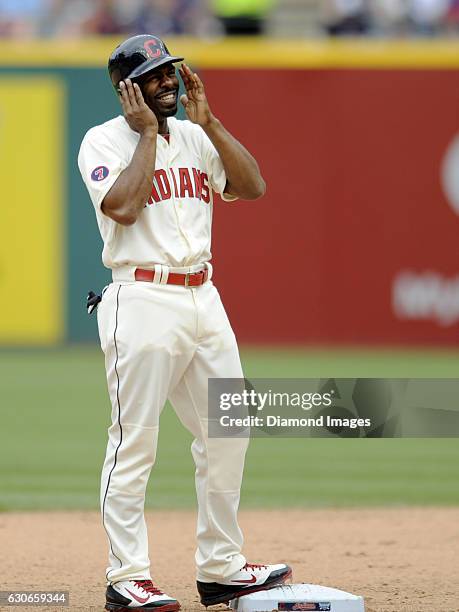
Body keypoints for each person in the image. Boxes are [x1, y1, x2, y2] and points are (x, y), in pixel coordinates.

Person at [78, 34, 292, 612]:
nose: (168, 81)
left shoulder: (196, 137)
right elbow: (121, 207)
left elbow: (252, 186)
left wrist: (212, 122)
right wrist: (147, 132)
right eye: (153, 76)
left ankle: (221, 567)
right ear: (128, 89)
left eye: (171, 71)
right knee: (134, 443)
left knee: (228, 431)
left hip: (204, 296)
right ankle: (127, 577)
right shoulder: (102, 139)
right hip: (140, 298)